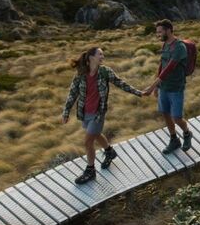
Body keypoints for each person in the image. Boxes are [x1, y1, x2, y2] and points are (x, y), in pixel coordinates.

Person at [61, 46, 146, 184]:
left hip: (98, 113)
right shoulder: (81, 74)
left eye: (102, 54)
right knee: (96, 134)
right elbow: (73, 93)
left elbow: (120, 83)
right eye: (100, 54)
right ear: (91, 57)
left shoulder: (105, 71)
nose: (102, 57)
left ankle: (90, 171)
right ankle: (109, 151)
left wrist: (138, 92)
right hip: (84, 113)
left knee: (88, 142)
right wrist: (66, 112)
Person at [143, 19, 192, 154]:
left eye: (160, 32)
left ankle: (187, 133)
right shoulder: (165, 44)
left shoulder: (179, 47)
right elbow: (162, 66)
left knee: (177, 117)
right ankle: (174, 139)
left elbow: (169, 69)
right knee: (165, 113)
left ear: (169, 30)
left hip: (176, 88)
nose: (158, 35)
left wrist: (151, 87)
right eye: (157, 32)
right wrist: (157, 87)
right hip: (163, 87)